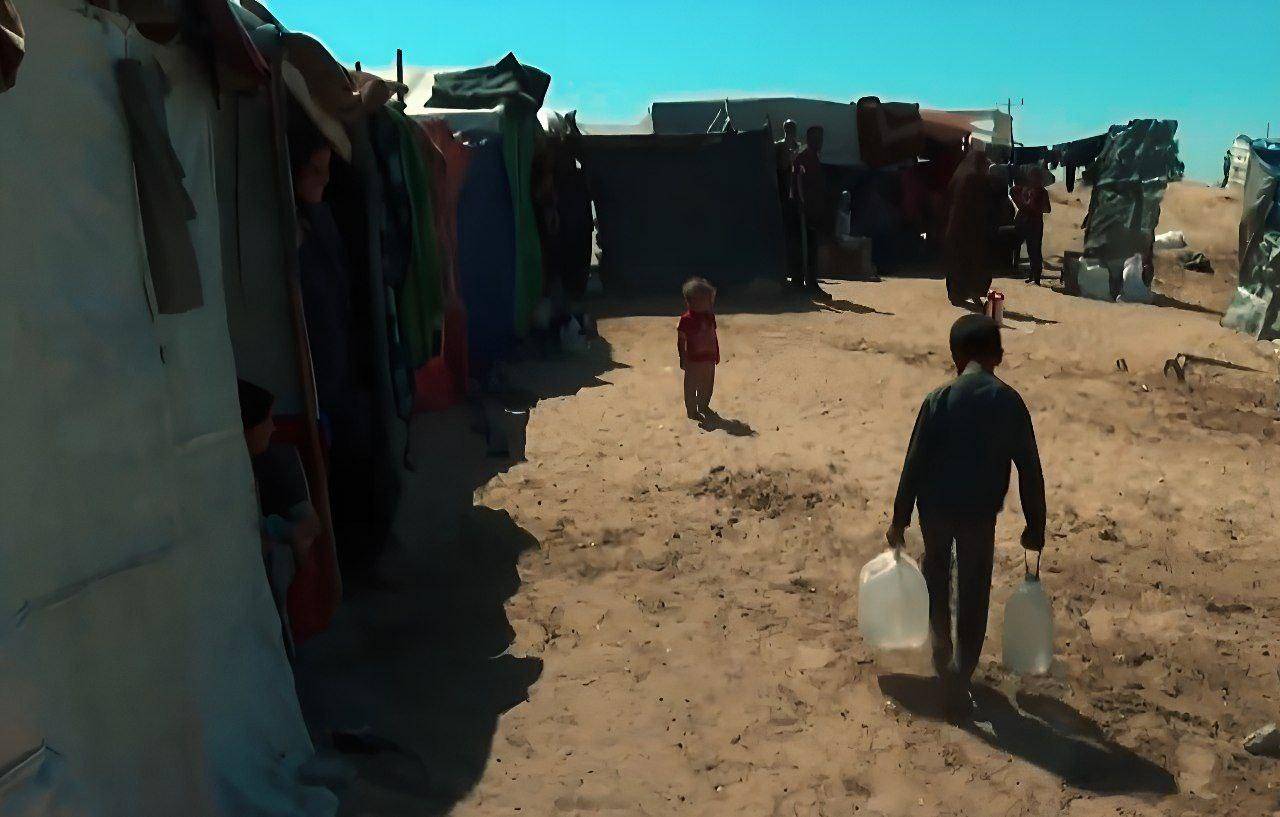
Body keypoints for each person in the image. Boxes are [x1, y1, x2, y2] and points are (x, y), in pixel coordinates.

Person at [885, 315, 1046, 721]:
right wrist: (1035, 524)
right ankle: (961, 674)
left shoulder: (937, 400)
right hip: (978, 515)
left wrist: (899, 518)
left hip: (935, 510)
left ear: (955, 356)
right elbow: (1029, 467)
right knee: (974, 588)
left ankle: (940, 650)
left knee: (936, 573)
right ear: (1000, 356)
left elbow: (914, 461)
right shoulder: (1009, 402)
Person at [238, 379, 321, 656]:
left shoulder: (276, 461)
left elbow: (310, 524)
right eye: (268, 420)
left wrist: (282, 533)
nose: (274, 427)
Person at [943, 142, 993, 309]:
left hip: (955, 225)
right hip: (966, 228)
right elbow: (976, 206)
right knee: (970, 262)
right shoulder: (973, 178)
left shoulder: (961, 173)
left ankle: (957, 294)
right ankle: (971, 294)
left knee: (957, 261)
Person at [792, 125, 832, 297]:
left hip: (815, 210)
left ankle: (809, 281)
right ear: (809, 140)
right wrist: (801, 204)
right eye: (816, 139)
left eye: (821, 139)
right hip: (805, 211)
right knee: (805, 246)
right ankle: (804, 283)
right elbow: (797, 183)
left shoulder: (816, 158)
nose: (820, 142)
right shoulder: (802, 158)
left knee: (813, 247)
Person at [677, 277, 720, 421]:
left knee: (707, 385)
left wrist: (716, 353)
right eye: (707, 300)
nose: (710, 303)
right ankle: (691, 410)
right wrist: (682, 358)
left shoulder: (709, 316)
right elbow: (681, 340)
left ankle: (703, 405)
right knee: (691, 386)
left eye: (710, 300)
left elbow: (713, 335)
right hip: (693, 360)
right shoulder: (686, 320)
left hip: (709, 359)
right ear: (692, 302)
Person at [1011, 167, 1051, 285]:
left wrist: (1035, 207)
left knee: (1035, 250)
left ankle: (1036, 276)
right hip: (1029, 222)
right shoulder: (1029, 190)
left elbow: (1047, 209)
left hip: (1034, 222)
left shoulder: (1040, 192)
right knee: (1031, 249)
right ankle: (1033, 275)